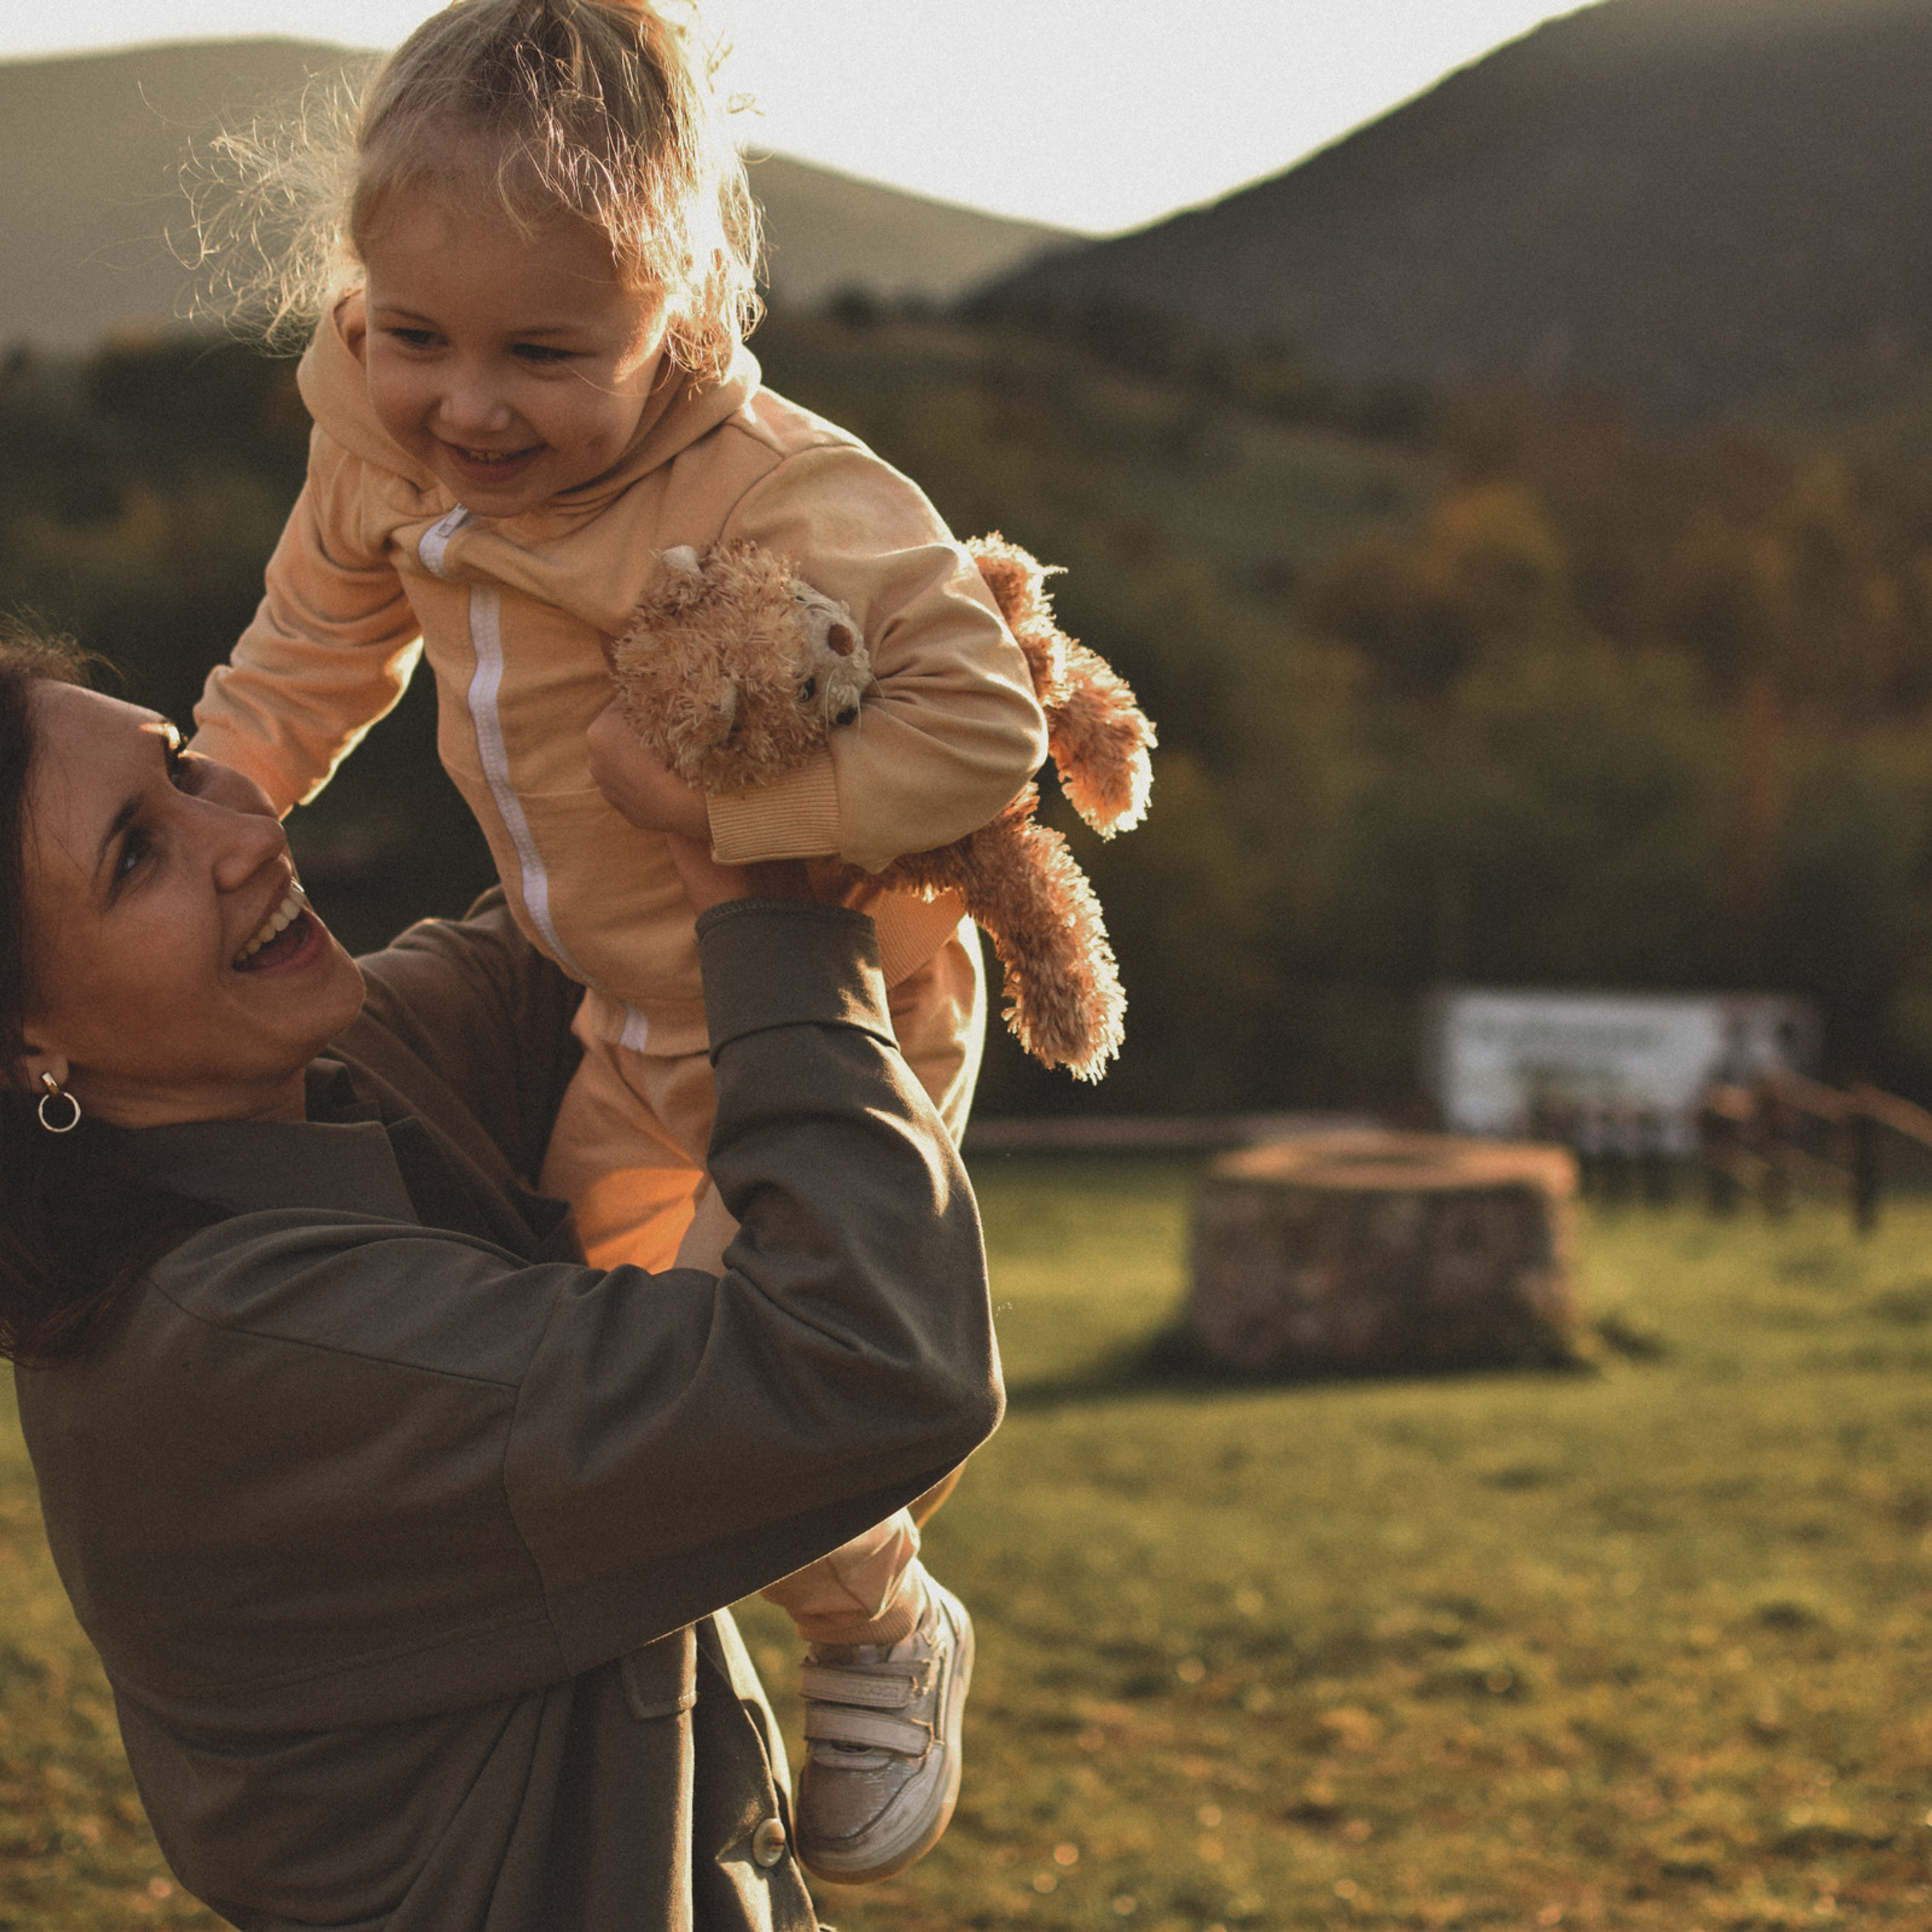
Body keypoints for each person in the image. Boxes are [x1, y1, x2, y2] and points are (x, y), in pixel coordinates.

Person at [189, 0, 1048, 1879]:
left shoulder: (780, 487)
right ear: (362, 290)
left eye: (544, 352)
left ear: (678, 301)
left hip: (832, 998)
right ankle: (781, 1613)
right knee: (644, 1358)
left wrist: (730, 827)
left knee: (763, 1368)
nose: (469, 405)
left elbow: (984, 728)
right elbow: (317, 638)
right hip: (624, 1018)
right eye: (416, 335)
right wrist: (224, 786)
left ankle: (884, 1620)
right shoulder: (382, 436)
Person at [2, 632, 1002, 1929]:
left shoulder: (301, 1085)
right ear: (25, 1046)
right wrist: (778, 920)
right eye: (137, 854)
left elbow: (583, 934)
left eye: (183, 768)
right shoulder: (244, 1354)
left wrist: (794, 672)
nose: (240, 835)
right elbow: (874, 1364)